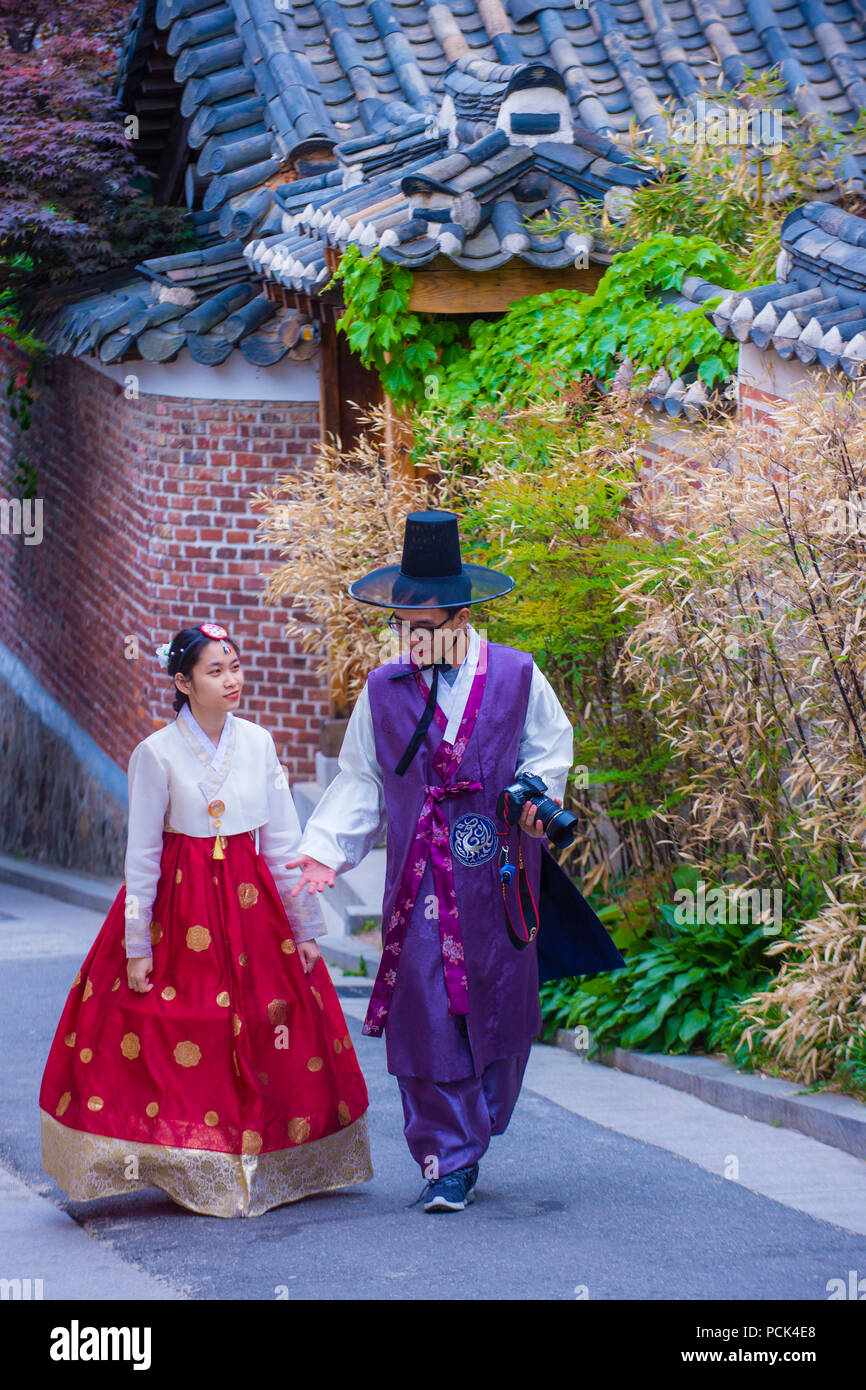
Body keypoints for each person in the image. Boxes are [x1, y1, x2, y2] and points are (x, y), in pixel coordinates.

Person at [287, 511, 623, 1213]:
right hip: (417, 886)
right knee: (423, 1013)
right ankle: (446, 1157)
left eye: (424, 623)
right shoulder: (384, 690)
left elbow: (548, 751)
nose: (410, 637)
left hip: (498, 879)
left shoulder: (516, 676)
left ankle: (478, 1127)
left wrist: (538, 796)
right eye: (401, 624)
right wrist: (323, 851)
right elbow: (361, 779)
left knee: (501, 1010)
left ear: (461, 616)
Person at [39, 621, 372, 1218]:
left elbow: (282, 842)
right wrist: (136, 945)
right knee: (184, 1028)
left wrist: (305, 929)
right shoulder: (156, 754)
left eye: (235, 666)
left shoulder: (260, 743)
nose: (232, 679)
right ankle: (188, 1161)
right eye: (215, 671)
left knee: (270, 1020)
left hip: (253, 906)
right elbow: (141, 857)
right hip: (180, 906)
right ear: (183, 684)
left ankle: (264, 1160)